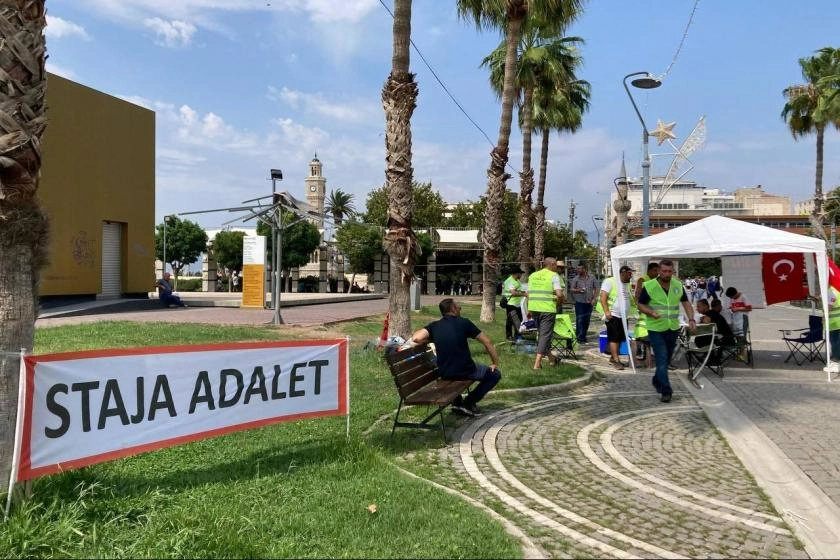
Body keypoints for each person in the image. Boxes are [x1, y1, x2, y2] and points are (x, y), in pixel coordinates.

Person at [410, 298, 501, 417]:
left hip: (445, 373)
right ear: (453, 309)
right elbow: (487, 342)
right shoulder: (464, 322)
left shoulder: (435, 326)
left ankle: (458, 403)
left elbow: (416, 338)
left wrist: (433, 338)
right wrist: (494, 362)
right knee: (494, 375)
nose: (460, 309)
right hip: (466, 371)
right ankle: (468, 403)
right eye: (458, 307)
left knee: (458, 367)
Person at [637, 259, 695, 403]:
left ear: (673, 271)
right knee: (662, 359)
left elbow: (686, 303)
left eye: (669, 272)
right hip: (655, 329)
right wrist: (651, 312)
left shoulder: (677, 285)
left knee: (666, 359)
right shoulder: (649, 286)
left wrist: (691, 319)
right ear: (659, 271)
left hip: (673, 328)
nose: (667, 274)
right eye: (664, 271)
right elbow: (640, 305)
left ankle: (657, 380)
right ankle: (666, 390)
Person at [527, 257, 565, 370]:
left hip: (534, 308)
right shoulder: (554, 276)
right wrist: (559, 303)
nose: (557, 268)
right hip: (547, 309)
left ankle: (552, 359)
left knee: (543, 335)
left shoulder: (533, 275)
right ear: (552, 264)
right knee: (545, 335)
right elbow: (559, 294)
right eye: (556, 265)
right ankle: (537, 363)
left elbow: (528, 293)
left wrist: (529, 308)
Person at [597, 265, 635, 370]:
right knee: (614, 338)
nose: (630, 276)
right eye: (629, 274)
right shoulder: (610, 281)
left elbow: (628, 298)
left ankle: (613, 357)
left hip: (623, 316)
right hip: (613, 314)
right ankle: (616, 360)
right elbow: (603, 296)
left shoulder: (627, 284)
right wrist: (606, 311)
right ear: (623, 273)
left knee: (620, 338)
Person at [570, 263, 599, 343]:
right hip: (579, 302)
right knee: (580, 320)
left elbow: (597, 288)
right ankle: (579, 338)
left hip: (589, 302)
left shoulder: (592, 278)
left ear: (585, 269)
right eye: (577, 269)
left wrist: (594, 299)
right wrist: (578, 290)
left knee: (586, 320)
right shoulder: (576, 279)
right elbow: (572, 289)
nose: (578, 270)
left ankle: (583, 336)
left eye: (580, 269)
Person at [502, 270, 526, 341]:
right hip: (511, 304)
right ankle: (509, 336)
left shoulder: (517, 281)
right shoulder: (510, 281)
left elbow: (518, 290)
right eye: (520, 274)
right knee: (510, 321)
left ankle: (517, 335)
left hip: (517, 304)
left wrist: (523, 292)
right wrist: (524, 294)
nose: (521, 275)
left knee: (519, 320)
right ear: (516, 273)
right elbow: (513, 293)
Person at [825, 287, 840, 374]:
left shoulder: (831, 290)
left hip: (834, 323)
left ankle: (835, 362)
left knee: (835, 343)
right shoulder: (837, 289)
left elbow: (829, 307)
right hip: (837, 322)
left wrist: (824, 317)